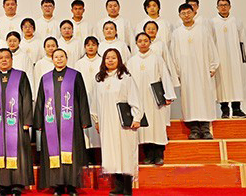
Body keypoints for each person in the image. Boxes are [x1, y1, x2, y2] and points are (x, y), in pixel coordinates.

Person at [34, 48, 91, 196]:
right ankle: (57, 185)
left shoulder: (75, 76)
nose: (59, 59)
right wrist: (38, 122)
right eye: (56, 57)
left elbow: (82, 98)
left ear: (66, 58)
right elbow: (41, 100)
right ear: (52, 59)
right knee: (54, 153)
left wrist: (84, 119)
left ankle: (72, 185)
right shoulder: (45, 78)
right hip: (51, 122)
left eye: (61, 56)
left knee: (71, 153)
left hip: (71, 124)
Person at [90, 49, 142, 196]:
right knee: (112, 153)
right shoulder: (100, 79)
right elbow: (95, 102)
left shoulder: (126, 77)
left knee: (125, 152)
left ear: (119, 59)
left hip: (123, 123)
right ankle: (118, 185)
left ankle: (127, 187)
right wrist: (97, 120)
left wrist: (136, 117)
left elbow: (134, 97)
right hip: (107, 122)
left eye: (113, 58)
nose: (110, 60)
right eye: (107, 58)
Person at [0, 48, 34, 195]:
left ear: (12, 59)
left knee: (18, 152)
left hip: (17, 124)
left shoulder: (21, 76)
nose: (4, 60)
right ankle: (3, 186)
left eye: (7, 57)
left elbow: (26, 98)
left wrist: (27, 121)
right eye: (1, 58)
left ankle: (17, 185)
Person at [171, 3, 219, 140]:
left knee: (204, 98)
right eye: (183, 13)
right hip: (186, 74)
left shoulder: (203, 30)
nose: (186, 15)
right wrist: (177, 73)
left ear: (194, 13)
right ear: (179, 16)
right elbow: (174, 55)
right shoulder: (177, 33)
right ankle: (194, 129)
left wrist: (212, 66)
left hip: (203, 72)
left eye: (188, 12)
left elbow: (211, 49)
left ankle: (205, 128)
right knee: (189, 99)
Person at [127, 33, 176, 165]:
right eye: (140, 41)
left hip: (155, 99)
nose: (143, 43)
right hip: (139, 99)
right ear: (136, 43)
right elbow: (127, 81)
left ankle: (159, 155)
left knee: (157, 127)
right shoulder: (131, 61)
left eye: (145, 41)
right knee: (144, 129)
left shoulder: (157, 59)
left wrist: (168, 95)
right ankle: (148, 155)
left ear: (150, 42)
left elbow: (165, 76)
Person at [211, 0, 246, 118]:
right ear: (217, 7)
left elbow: (243, 40)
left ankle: (237, 109)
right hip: (220, 58)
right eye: (221, 5)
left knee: (236, 82)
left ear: (230, 6)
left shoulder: (236, 21)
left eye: (225, 5)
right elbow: (210, 43)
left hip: (235, 58)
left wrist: (245, 56)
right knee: (222, 84)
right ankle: (225, 110)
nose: (223, 7)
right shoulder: (212, 23)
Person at [74, 36, 102, 161]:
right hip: (83, 97)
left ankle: (101, 156)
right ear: (84, 47)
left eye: (93, 44)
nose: (91, 47)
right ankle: (88, 156)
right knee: (86, 128)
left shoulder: (102, 61)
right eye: (88, 45)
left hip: (99, 97)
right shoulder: (79, 63)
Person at [142, 21, 180, 88]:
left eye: (153, 29)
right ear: (144, 30)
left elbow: (168, 60)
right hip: (143, 74)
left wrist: (174, 79)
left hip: (158, 75)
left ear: (157, 31)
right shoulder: (140, 45)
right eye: (148, 28)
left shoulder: (161, 44)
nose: (151, 30)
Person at [6, 32, 35, 96]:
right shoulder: (3, 56)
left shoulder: (25, 57)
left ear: (19, 42)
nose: (12, 43)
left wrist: (31, 95)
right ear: (6, 41)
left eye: (15, 41)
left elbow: (30, 75)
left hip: (21, 90)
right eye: (10, 41)